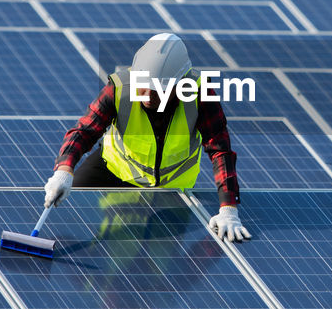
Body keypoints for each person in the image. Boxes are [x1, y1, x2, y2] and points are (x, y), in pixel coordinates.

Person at [43, 32, 251, 242]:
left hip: (171, 189)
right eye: (142, 85)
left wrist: (228, 207)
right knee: (66, 206)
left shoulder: (200, 94)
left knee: (152, 258)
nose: (146, 94)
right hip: (113, 170)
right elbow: (84, 130)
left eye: (157, 89)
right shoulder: (120, 88)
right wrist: (64, 170)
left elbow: (220, 149)